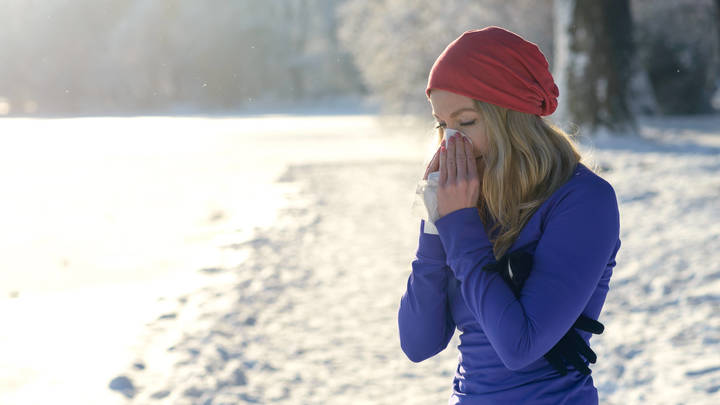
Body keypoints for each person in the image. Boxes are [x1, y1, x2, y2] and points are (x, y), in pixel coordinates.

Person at [397, 26, 621, 404]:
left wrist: (460, 227)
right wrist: (435, 225)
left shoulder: (583, 201)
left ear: (511, 116)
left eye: (466, 122)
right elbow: (419, 343)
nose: (452, 143)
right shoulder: (469, 201)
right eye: (442, 124)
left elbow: (520, 346)